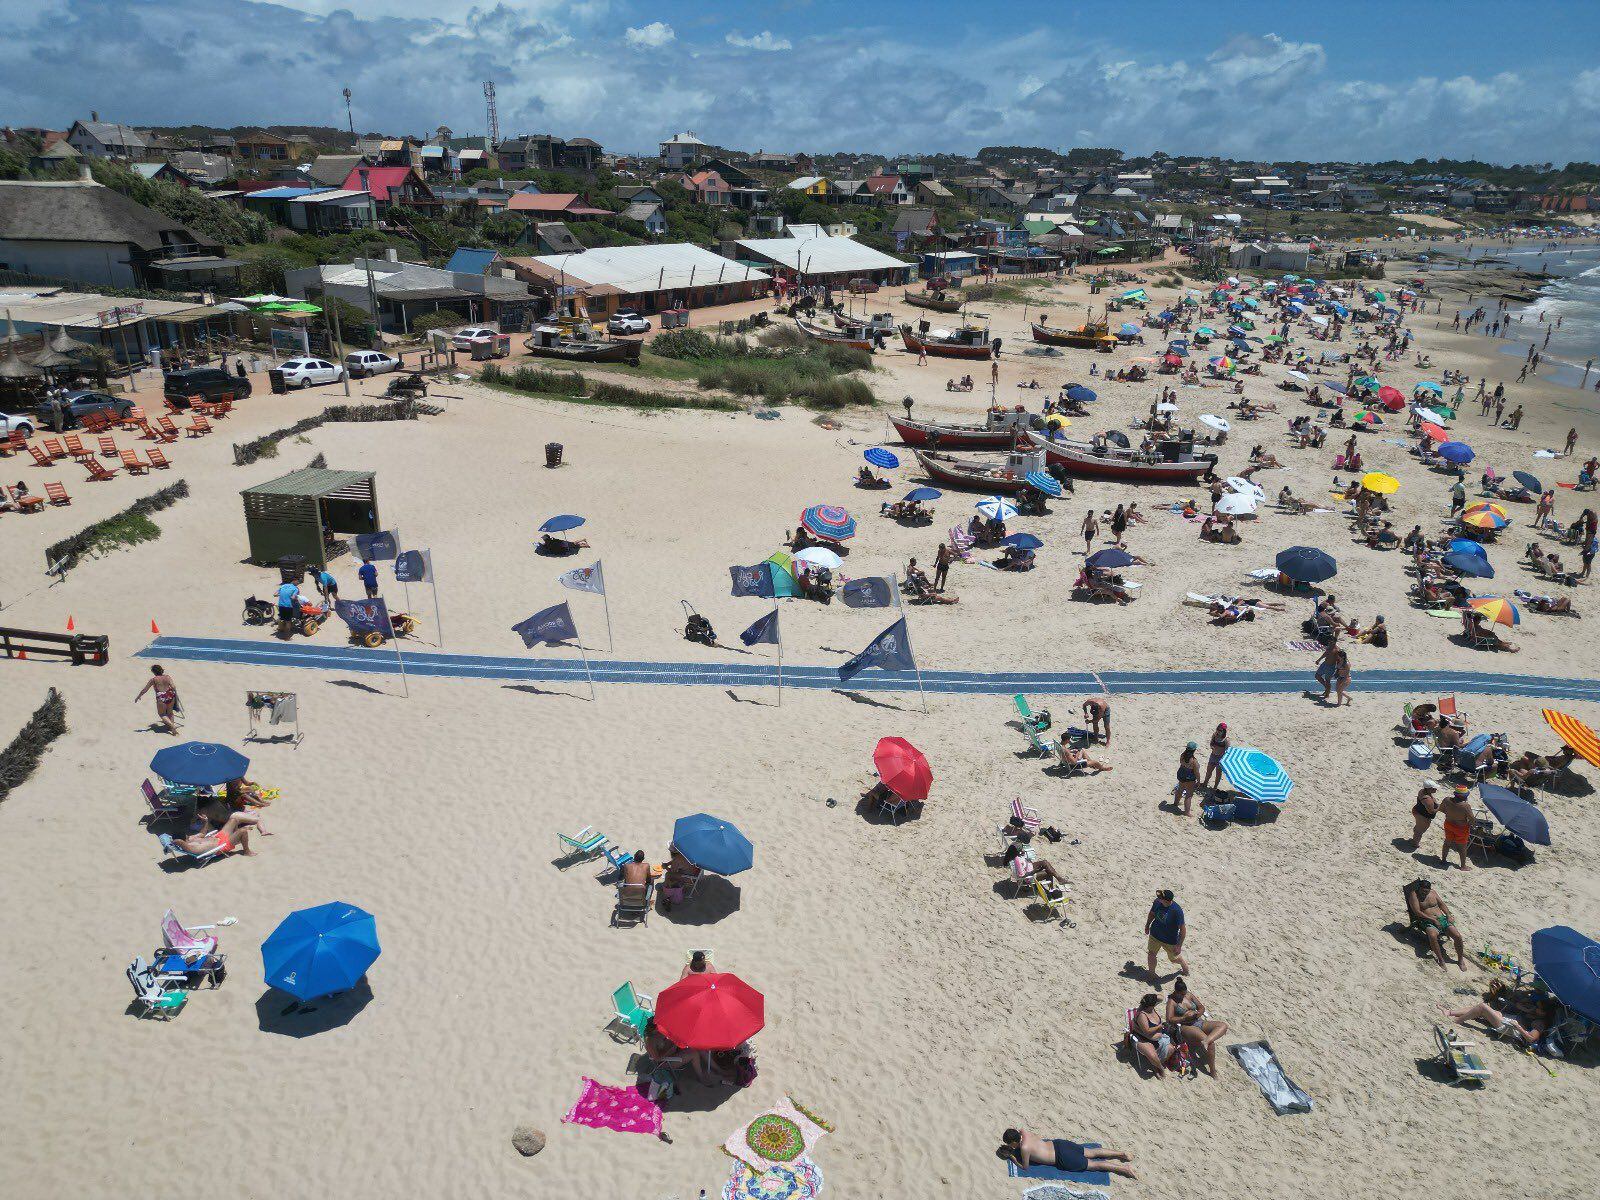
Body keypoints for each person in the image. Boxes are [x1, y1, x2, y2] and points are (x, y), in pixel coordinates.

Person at [999, 1130, 1137, 1180]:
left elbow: (1025, 1167)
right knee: (1092, 1152)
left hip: (1062, 1158)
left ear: (1013, 1142)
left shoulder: (1024, 1148)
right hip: (1060, 1144)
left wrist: (1012, 1158)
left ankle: (1125, 1169)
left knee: (1093, 1165)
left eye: (1010, 1144)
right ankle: (1122, 1153)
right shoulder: (1024, 1132)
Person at [1438, 992, 1556, 1048]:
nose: (1536, 1008)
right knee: (1484, 1009)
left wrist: (1518, 1027)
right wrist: (1527, 1009)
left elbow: (1531, 1038)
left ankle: (1457, 1021)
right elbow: (1518, 1005)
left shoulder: (1539, 1023)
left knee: (1482, 1007)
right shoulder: (1534, 1013)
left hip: (1508, 1028)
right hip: (1506, 1020)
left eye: (1539, 1008)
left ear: (1545, 1013)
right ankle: (1450, 1012)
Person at [1166, 978, 1229, 1075]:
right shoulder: (1172, 1001)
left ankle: (1205, 1041)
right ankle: (1212, 1070)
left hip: (1198, 1020)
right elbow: (1169, 1019)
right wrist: (1184, 1017)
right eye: (1182, 994)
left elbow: (1201, 1007)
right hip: (1186, 1026)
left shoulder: (1189, 995)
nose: (1184, 996)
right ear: (1176, 992)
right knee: (1211, 1044)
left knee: (1223, 1025)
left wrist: (1197, 1014)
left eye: (1185, 993)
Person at [1406, 878, 1467, 969]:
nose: (1424, 894)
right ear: (1419, 888)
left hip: (1442, 919)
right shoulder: (1414, 895)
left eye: (1426, 891)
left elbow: (1442, 904)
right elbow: (1417, 912)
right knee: (1432, 935)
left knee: (1457, 936)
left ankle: (1460, 959)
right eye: (1422, 891)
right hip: (1427, 921)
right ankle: (1440, 959)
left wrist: (1448, 915)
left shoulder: (1433, 893)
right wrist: (1433, 920)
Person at [173, 811, 264, 858]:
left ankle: (237, 837)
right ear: (183, 840)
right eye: (186, 836)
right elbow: (179, 841)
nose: (188, 836)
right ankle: (246, 851)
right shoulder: (190, 847)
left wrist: (206, 821)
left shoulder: (191, 839)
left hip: (218, 836)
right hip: (222, 845)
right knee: (243, 830)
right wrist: (172, 842)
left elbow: (202, 833)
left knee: (234, 819)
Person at [1145, 889, 1190, 980]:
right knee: (1151, 954)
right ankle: (1152, 974)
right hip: (1155, 934)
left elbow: (1183, 930)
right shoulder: (1157, 902)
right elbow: (1152, 914)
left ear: (1166, 901)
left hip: (1170, 940)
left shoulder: (1176, 911)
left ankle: (1183, 965)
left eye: (1160, 897)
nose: (1158, 898)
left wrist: (1179, 946)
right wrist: (1147, 925)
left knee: (1173, 959)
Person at [134, 664, 181, 735]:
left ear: (154, 672)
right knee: (170, 712)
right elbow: (173, 687)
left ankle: (172, 726)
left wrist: (138, 696)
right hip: (170, 695)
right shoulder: (167, 677)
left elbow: (145, 690)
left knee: (162, 714)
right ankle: (171, 728)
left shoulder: (153, 680)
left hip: (161, 698)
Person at [1440, 785, 1475, 870]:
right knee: (1462, 847)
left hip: (1448, 824)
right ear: (1465, 796)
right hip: (1461, 828)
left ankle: (1443, 860)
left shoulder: (1446, 800)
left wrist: (1449, 814)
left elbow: (1441, 809)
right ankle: (1463, 866)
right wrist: (1469, 824)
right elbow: (1472, 819)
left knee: (1447, 843)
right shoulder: (1465, 806)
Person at [1405, 784, 1440, 850]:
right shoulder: (1427, 800)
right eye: (1434, 788)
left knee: (1418, 827)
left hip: (1417, 810)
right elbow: (1432, 811)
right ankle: (1415, 844)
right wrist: (1439, 807)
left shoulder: (1422, 791)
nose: (1436, 789)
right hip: (1423, 816)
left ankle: (1415, 837)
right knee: (1420, 831)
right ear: (1429, 789)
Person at [1173, 741, 1200, 815]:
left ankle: (1175, 803)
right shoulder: (1194, 761)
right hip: (1189, 778)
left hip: (1181, 774)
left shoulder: (1182, 755)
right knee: (1189, 795)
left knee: (1180, 790)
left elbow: (1181, 763)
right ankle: (1187, 812)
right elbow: (1196, 772)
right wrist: (1198, 781)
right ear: (1194, 750)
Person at [1201, 722, 1228, 790]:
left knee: (1218, 774)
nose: (1218, 731)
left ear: (1224, 731)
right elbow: (1211, 743)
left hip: (1220, 758)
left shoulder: (1226, 739)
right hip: (1213, 756)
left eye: (1220, 730)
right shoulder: (1214, 735)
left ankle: (1215, 787)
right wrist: (1212, 747)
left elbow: (1227, 750)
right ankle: (1205, 783)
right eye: (1218, 729)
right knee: (1209, 771)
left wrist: (1222, 754)